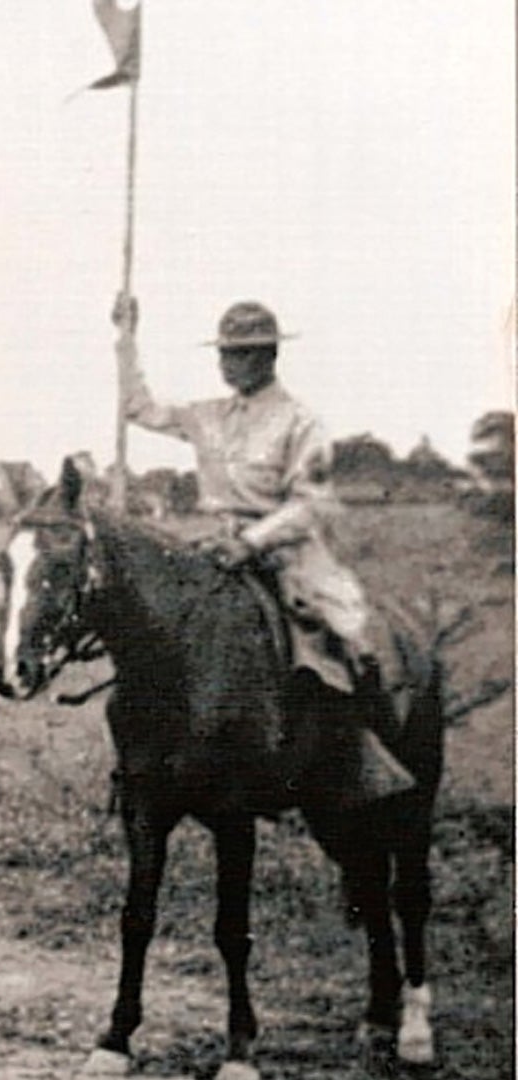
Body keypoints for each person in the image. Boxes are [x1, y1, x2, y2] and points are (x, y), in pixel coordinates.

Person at [112, 294, 415, 803]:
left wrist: (252, 542)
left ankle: (362, 753)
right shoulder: (205, 415)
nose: (231, 363)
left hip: (287, 551)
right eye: (226, 352)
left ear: (270, 355)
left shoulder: (301, 422)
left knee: (352, 632)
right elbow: (138, 408)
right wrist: (126, 337)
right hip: (214, 545)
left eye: (244, 352)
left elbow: (311, 504)